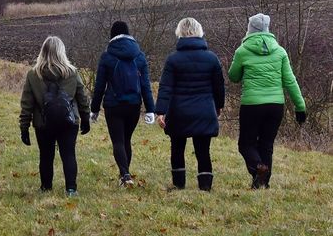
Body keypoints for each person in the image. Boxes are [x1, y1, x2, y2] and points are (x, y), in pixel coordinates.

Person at [227, 13, 306, 189]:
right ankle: (263, 184)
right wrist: (300, 106)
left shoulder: (242, 51)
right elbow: (290, 81)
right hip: (275, 106)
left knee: (246, 144)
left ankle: (258, 168)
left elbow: (233, 77)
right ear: (268, 29)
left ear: (250, 29)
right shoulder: (280, 51)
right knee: (266, 144)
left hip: (251, 105)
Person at [155, 18, 225, 191]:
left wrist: (161, 111)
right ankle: (205, 186)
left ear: (179, 33)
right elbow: (219, 87)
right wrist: (218, 106)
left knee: (177, 148)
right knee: (203, 150)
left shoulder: (173, 59)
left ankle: (179, 184)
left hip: (179, 112)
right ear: (199, 32)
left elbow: (165, 87)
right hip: (204, 110)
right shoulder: (212, 58)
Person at [19, 36, 91, 197]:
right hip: (69, 122)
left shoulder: (33, 75)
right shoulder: (72, 72)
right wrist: (85, 118)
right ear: (61, 52)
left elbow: (27, 104)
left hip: (43, 123)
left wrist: (24, 127)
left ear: (43, 52)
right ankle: (71, 189)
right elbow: (82, 97)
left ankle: (46, 187)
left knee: (46, 155)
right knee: (69, 154)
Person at [90, 21, 156, 187]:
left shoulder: (107, 57)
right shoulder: (139, 56)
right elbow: (145, 85)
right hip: (134, 105)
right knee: (127, 139)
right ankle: (125, 174)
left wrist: (94, 109)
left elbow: (99, 86)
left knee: (118, 141)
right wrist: (150, 109)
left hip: (113, 105)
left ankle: (125, 175)